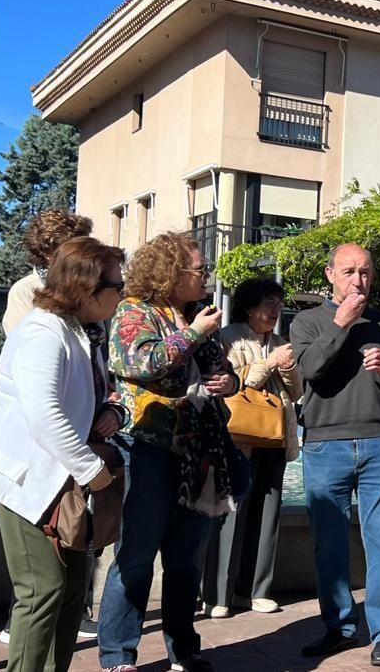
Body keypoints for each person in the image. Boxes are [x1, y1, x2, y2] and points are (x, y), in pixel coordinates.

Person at [0, 237, 125, 672]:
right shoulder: (42, 331)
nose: (122, 293)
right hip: (28, 481)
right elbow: (45, 415)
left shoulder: (78, 331)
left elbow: (92, 395)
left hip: (60, 481)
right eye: (117, 285)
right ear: (86, 287)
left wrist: (113, 410)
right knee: (43, 589)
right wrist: (96, 474)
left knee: (72, 588)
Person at [98, 234, 238, 672]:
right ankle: (118, 656)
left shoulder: (198, 314)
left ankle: (185, 650)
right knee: (137, 555)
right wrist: (194, 335)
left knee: (185, 559)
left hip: (200, 449)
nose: (206, 276)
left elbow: (224, 371)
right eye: (199, 270)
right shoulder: (134, 310)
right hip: (151, 446)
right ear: (171, 272)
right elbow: (141, 364)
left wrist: (228, 383)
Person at [291, 243, 380, 667]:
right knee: (328, 544)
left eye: (364, 272)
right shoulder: (308, 321)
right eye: (348, 271)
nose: (357, 280)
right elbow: (310, 369)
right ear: (330, 275)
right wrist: (341, 324)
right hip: (325, 445)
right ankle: (339, 627)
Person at [202, 278, 300, 617]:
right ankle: (218, 595)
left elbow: (296, 393)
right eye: (267, 303)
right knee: (232, 512)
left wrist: (287, 368)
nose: (275, 309)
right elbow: (235, 383)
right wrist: (271, 362)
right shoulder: (229, 337)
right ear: (249, 307)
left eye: (277, 303)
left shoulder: (281, 341)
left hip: (275, 435)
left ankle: (256, 590)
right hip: (239, 437)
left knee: (268, 513)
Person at [3, 210, 94, 335]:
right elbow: (23, 343)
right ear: (47, 253)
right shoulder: (24, 291)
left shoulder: (93, 285)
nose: (82, 255)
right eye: (73, 249)